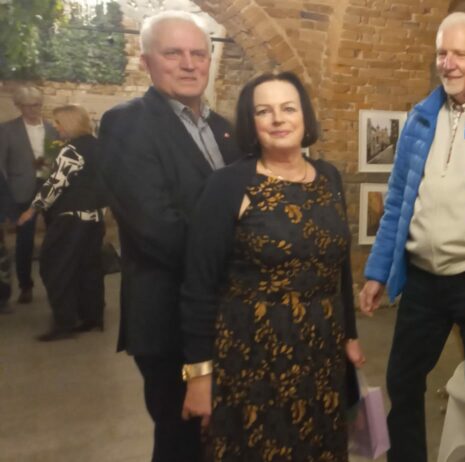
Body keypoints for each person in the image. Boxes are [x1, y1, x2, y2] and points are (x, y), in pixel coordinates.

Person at [178, 71, 364, 461]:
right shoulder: (228, 185)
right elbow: (198, 286)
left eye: (288, 108)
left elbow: (339, 268)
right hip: (253, 357)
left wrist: (349, 334)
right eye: (264, 111)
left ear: (305, 116)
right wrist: (199, 375)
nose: (278, 119)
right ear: (251, 123)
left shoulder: (329, 178)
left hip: (321, 354)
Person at [359, 11, 465, 462]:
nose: (448, 63)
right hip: (422, 278)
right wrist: (377, 271)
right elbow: (398, 199)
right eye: (442, 53)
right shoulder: (421, 118)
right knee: (402, 380)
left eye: (459, 53)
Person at [98, 11, 241, 462]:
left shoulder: (224, 129)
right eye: (173, 53)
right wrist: (245, 263)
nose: (189, 63)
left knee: (225, 436)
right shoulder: (128, 124)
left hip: (226, 313)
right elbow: (155, 227)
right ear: (146, 61)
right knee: (182, 439)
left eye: (199, 53)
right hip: (168, 316)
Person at [17, 104, 106, 341]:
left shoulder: (72, 150)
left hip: (71, 220)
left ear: (69, 123)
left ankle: (64, 323)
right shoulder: (100, 146)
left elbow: (55, 184)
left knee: (54, 267)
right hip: (95, 219)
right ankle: (92, 318)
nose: (56, 127)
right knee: (88, 268)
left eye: (58, 123)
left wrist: (33, 209)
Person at [0, 85, 58, 306]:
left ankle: (56, 282)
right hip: (21, 189)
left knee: (55, 236)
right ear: (19, 106)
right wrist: (6, 197)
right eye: (29, 106)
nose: (34, 109)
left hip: (48, 187)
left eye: (38, 105)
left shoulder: (52, 129)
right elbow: (1, 165)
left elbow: (53, 159)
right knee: (25, 240)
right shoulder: (6, 130)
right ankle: (26, 286)